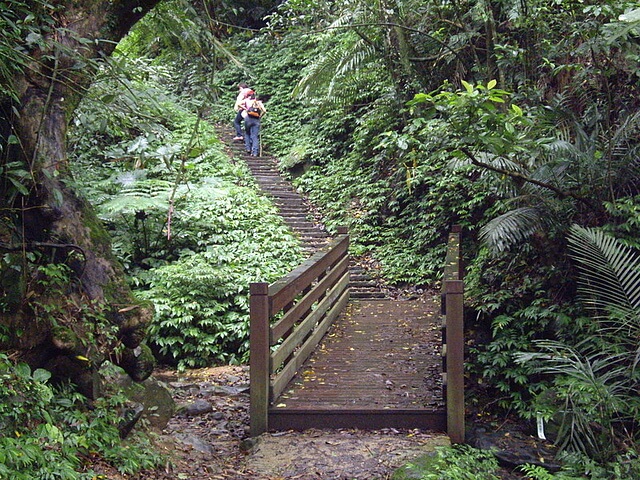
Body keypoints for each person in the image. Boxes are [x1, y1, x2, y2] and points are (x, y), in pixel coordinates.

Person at [241, 92, 267, 156]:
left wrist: (246, 109)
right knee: (254, 136)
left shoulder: (247, 101)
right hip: (256, 120)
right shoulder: (259, 103)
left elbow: (239, 104)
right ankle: (255, 152)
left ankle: (248, 148)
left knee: (247, 133)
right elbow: (264, 111)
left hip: (248, 119)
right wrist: (260, 116)